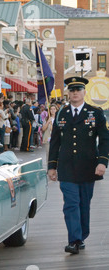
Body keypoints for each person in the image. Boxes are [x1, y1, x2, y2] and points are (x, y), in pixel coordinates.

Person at [48, 77, 109, 254]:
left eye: (78, 89)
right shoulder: (61, 113)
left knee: (83, 203)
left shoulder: (95, 113)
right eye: (72, 89)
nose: (75, 92)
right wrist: (52, 166)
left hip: (87, 166)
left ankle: (81, 235)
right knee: (71, 204)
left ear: (84, 92)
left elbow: (105, 139)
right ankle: (74, 240)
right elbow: (55, 142)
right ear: (68, 92)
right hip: (66, 167)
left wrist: (102, 162)